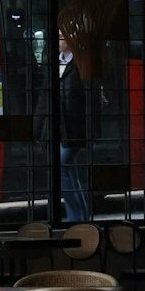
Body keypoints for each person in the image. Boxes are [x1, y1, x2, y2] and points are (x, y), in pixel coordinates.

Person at [57, 36, 91, 222]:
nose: (57, 40)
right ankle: (81, 217)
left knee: (61, 167)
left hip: (75, 127)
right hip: (62, 127)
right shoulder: (57, 62)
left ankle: (76, 218)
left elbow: (89, 99)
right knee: (70, 171)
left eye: (61, 37)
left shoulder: (80, 64)